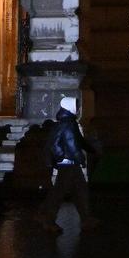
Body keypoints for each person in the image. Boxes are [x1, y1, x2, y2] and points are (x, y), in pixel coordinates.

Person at [40, 95, 99, 234]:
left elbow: (78, 141)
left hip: (68, 163)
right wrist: (79, 158)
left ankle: (85, 219)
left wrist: (89, 150)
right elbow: (72, 144)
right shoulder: (68, 123)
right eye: (76, 105)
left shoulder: (66, 122)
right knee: (63, 192)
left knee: (78, 191)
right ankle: (48, 219)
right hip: (69, 163)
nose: (78, 109)